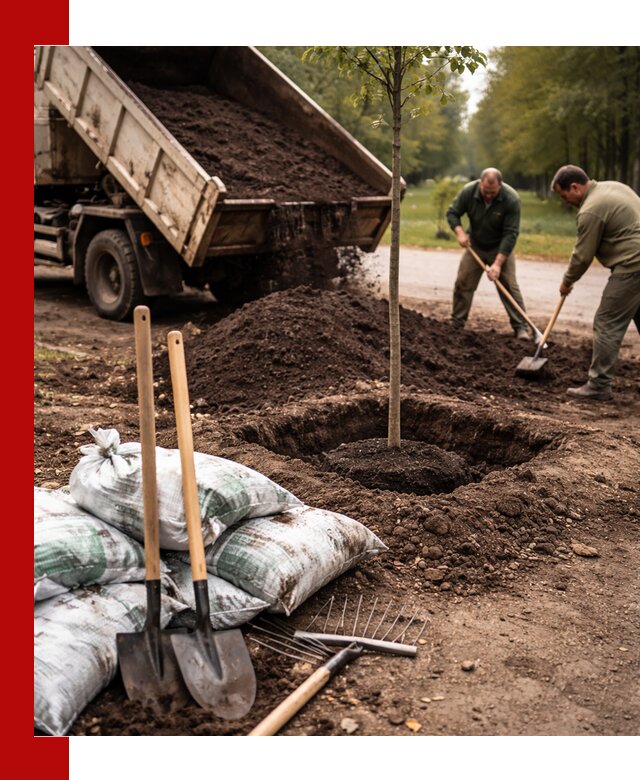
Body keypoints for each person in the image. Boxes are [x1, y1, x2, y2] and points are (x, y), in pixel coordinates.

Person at [551, 165, 640, 401]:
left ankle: (599, 384)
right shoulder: (614, 187)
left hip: (633, 265)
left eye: (564, 195)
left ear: (575, 187)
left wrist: (567, 281)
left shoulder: (590, 209)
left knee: (607, 322)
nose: (566, 201)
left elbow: (582, 256)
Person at [446, 168, 531, 339]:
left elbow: (511, 233)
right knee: (463, 282)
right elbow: (452, 213)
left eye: (493, 192)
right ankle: (457, 323)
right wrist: (460, 233)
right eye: (486, 191)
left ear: (500, 186)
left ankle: (521, 328)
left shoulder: (511, 198)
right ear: (480, 183)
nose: (489, 196)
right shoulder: (469, 191)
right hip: (475, 244)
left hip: (500, 247)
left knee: (509, 286)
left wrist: (498, 264)